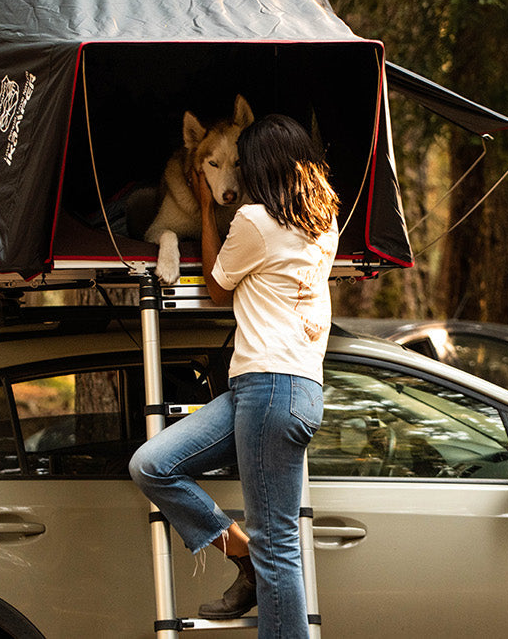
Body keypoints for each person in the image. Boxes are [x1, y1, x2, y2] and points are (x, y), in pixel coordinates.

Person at [129, 113, 340, 639]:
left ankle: (255, 561)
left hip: (270, 388)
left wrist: (203, 207)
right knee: (153, 464)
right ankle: (241, 555)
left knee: (279, 551)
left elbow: (219, 289)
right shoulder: (323, 224)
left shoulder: (253, 223)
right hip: (289, 387)